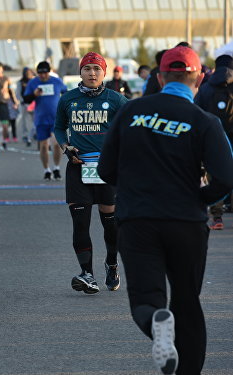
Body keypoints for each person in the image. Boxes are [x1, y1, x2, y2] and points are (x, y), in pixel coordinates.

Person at [98, 46, 233, 375]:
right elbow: (227, 176)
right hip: (186, 221)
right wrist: (200, 198)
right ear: (200, 79)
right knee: (187, 300)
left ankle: (158, 323)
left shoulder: (131, 112)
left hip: (138, 218)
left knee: (147, 298)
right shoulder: (204, 120)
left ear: (160, 77)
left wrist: (130, 188)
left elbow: (105, 168)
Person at [54, 52, 128, 295]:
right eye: (87, 69)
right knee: (80, 223)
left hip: (107, 169)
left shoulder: (116, 100)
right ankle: (87, 274)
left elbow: (131, 127)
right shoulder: (68, 99)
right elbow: (58, 127)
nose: (92, 73)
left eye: (97, 69)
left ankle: (112, 262)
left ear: (104, 72)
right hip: (78, 167)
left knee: (111, 224)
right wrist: (66, 146)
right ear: (81, 72)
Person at [195, 53, 233, 230]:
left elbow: (197, 111)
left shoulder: (206, 87)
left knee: (214, 174)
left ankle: (217, 217)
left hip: (214, 136)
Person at [23, 61, 67, 180]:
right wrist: (34, 95)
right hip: (41, 118)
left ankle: (56, 168)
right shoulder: (33, 82)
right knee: (43, 146)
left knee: (56, 144)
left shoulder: (56, 81)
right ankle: (46, 169)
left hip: (56, 118)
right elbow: (26, 99)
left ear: (49, 71)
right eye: (40, 73)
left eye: (45, 73)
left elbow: (66, 93)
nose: (43, 76)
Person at [17, 67, 36, 147]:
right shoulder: (21, 82)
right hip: (24, 104)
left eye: (29, 72)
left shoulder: (34, 81)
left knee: (35, 120)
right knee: (25, 120)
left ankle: (34, 134)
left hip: (34, 103)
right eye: (26, 73)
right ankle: (25, 135)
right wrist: (22, 101)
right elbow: (18, 93)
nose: (28, 74)